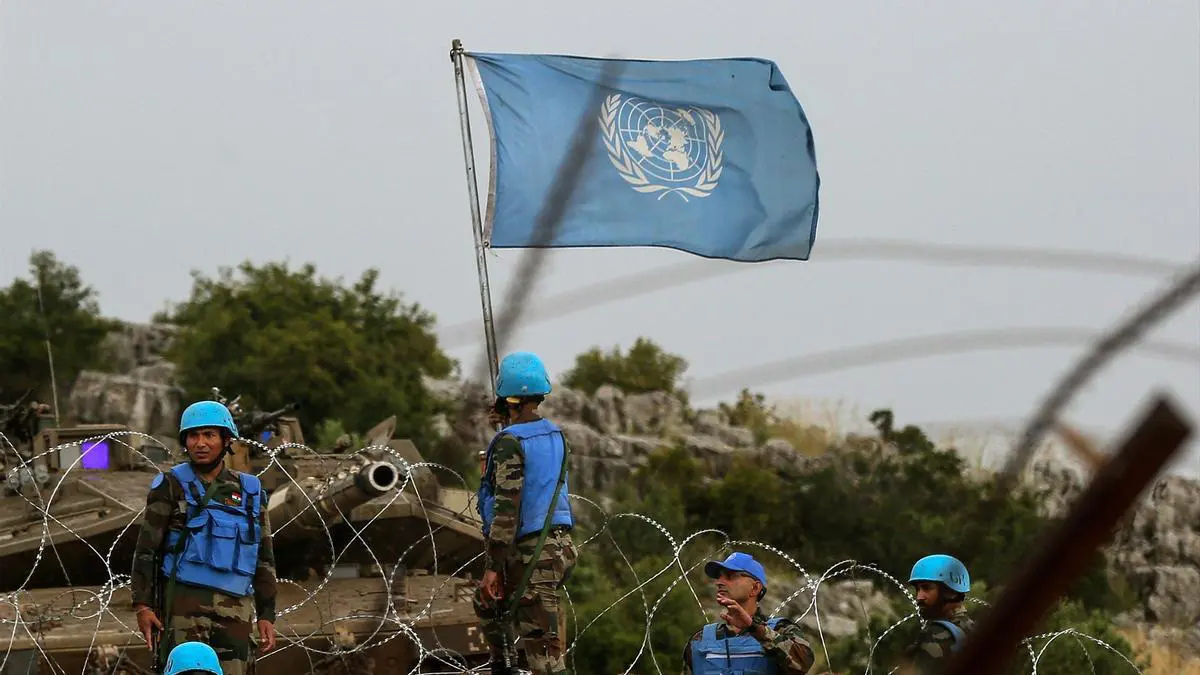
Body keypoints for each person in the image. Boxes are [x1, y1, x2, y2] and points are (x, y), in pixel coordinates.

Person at [130, 400, 278, 675]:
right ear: (185, 440)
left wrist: (267, 613)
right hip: (184, 605)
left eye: (209, 435)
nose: (200, 443)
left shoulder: (250, 490)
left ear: (225, 440)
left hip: (237, 608)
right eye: (193, 435)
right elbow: (147, 549)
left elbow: (263, 555)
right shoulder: (170, 485)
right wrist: (143, 605)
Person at [473, 351, 577, 675]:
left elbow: (507, 510)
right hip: (559, 548)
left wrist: (493, 566)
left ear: (506, 398)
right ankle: (503, 666)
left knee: (544, 654)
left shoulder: (508, 443)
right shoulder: (556, 435)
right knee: (489, 605)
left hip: (533, 553)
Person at [681, 552, 815, 675]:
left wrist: (754, 627)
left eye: (730, 575)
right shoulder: (700, 639)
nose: (719, 582)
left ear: (755, 588)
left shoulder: (781, 629)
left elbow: (803, 664)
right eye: (719, 577)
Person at [901, 554, 976, 673]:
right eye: (917, 589)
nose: (919, 597)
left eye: (926, 588)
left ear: (950, 592)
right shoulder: (973, 628)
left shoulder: (935, 634)